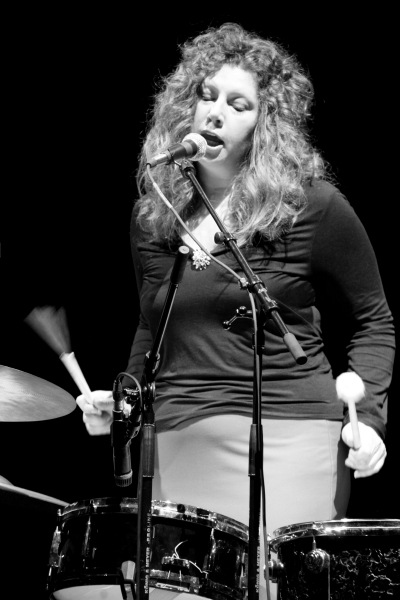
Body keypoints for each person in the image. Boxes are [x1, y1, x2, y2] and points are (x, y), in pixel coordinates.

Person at [77, 23, 395, 599]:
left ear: (264, 124)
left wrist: (369, 418)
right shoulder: (155, 214)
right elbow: (153, 326)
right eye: (206, 96)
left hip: (290, 433)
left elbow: (374, 319)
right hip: (175, 435)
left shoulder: (309, 205)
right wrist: (125, 401)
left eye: (237, 103)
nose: (215, 112)